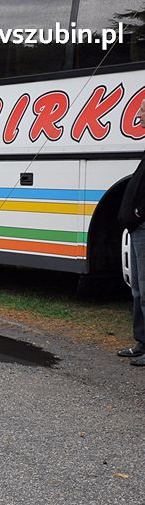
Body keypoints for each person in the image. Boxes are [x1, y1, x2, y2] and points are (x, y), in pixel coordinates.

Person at [117, 98, 145, 365]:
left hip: (143, 228)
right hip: (137, 229)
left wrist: (138, 213)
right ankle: (141, 342)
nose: (138, 114)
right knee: (137, 289)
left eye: (143, 110)